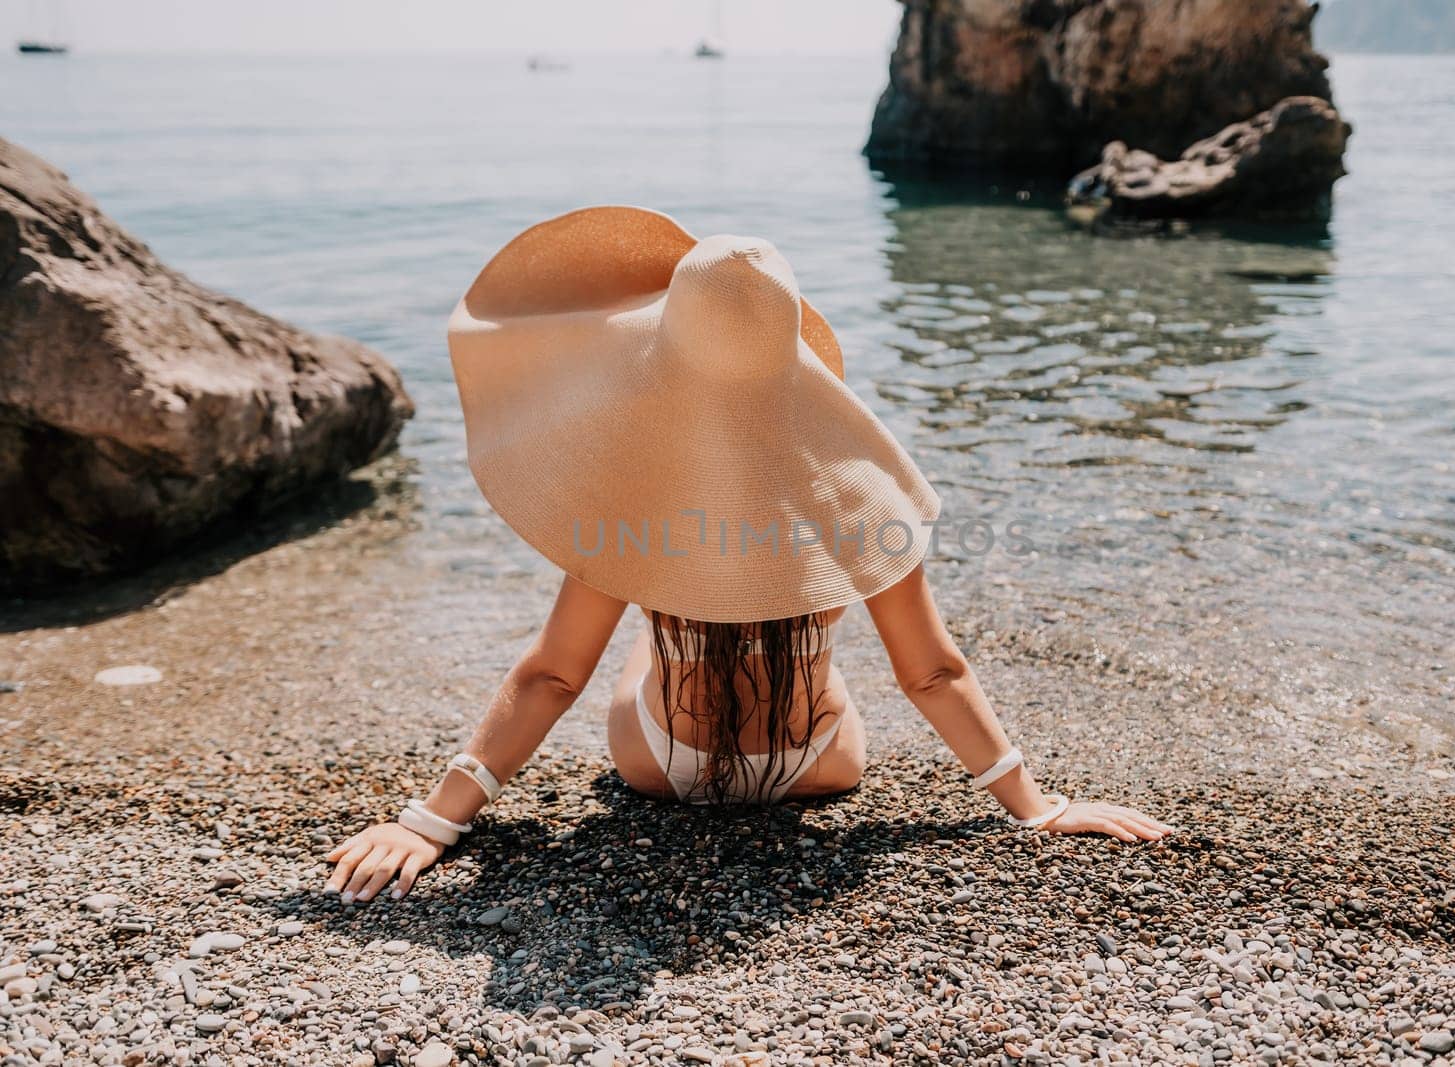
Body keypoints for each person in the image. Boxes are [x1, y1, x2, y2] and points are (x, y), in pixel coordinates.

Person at [325, 207, 1172, 904]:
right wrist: (1037, 807)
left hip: (665, 763)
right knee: (817, 649)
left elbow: (551, 676)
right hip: (820, 763)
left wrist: (430, 820)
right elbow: (933, 675)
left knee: (638, 629)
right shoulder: (860, 495)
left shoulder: (628, 491)